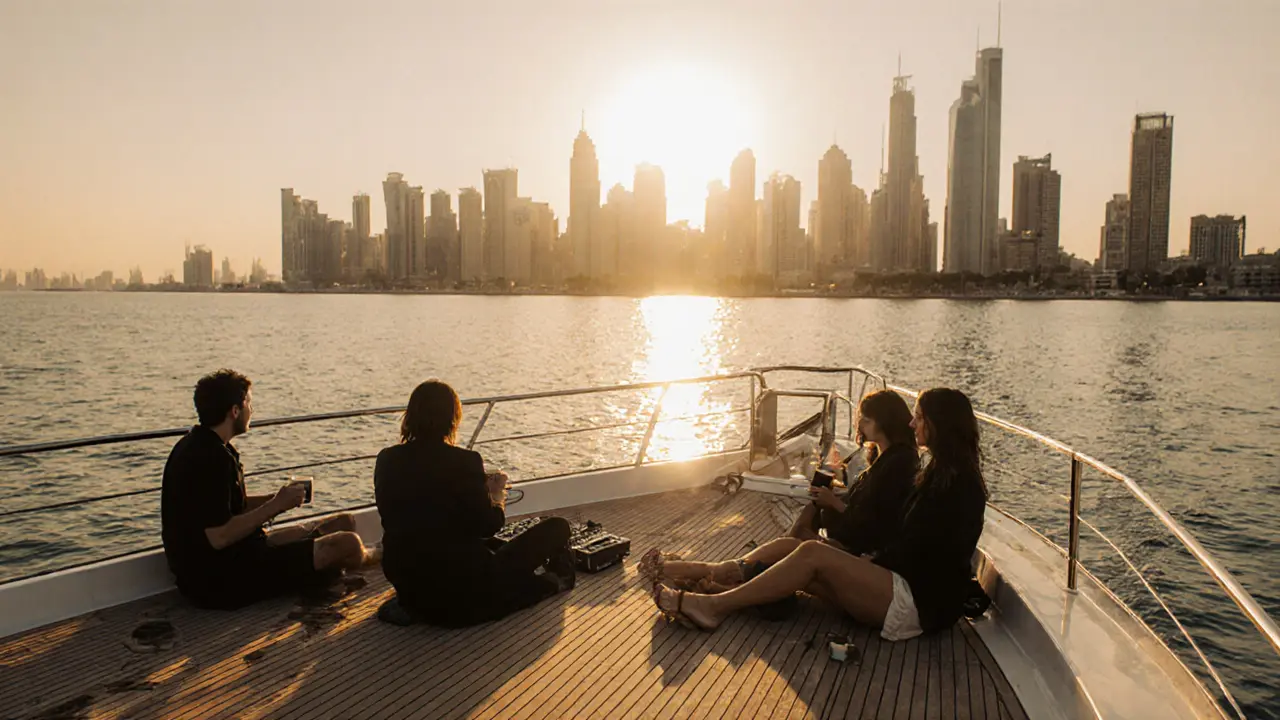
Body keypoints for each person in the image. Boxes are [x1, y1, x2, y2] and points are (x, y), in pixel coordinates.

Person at [651, 387, 988, 641]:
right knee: (797, 553)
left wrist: (872, 559)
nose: (912, 423)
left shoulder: (959, 486)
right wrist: (872, 558)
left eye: (920, 417)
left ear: (939, 424)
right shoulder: (938, 474)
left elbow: (933, 554)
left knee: (812, 554)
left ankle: (712, 606)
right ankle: (717, 580)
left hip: (920, 603)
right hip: (903, 582)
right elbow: (912, 539)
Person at [640, 390, 919, 593]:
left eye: (866, 420)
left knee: (791, 549)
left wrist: (834, 503)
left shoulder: (899, 463)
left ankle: (707, 575)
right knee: (793, 538)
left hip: (862, 553)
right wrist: (833, 496)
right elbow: (870, 505)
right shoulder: (884, 457)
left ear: (885, 422)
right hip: (850, 538)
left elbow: (879, 523)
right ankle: (717, 574)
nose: (860, 426)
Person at [161, 369, 375, 610]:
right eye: (249, 403)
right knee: (348, 543)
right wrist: (276, 506)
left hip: (237, 553)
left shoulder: (202, 445)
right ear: (235, 411)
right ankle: (371, 556)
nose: (252, 410)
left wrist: (279, 498)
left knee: (344, 522)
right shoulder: (210, 458)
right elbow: (219, 537)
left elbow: (229, 507)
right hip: (218, 580)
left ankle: (322, 568)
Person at [374, 379, 575, 628]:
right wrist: (496, 495)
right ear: (452, 419)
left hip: (406, 577)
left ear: (410, 416)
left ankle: (415, 606)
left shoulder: (387, 459)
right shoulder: (465, 461)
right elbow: (488, 525)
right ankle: (550, 583)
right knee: (557, 527)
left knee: (473, 547)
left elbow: (410, 512)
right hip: (462, 586)